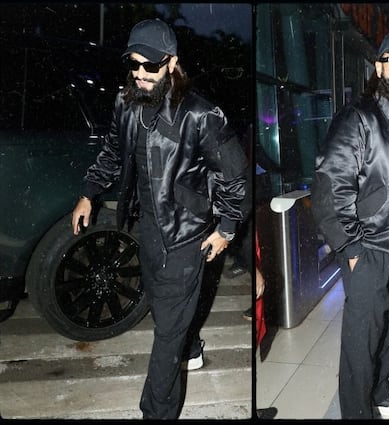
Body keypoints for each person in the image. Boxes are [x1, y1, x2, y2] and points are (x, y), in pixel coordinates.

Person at [71, 18, 247, 418]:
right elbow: (112, 153)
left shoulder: (201, 115)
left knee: (166, 332)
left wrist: (226, 228)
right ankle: (192, 347)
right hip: (147, 227)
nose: (140, 73)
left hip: (186, 235)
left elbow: (234, 176)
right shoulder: (126, 102)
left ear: (171, 63)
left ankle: (156, 411)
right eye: (134, 64)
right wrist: (88, 193)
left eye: (150, 65)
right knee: (167, 310)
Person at [311, 30, 389, 419]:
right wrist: (352, 249)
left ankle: (378, 389)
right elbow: (330, 187)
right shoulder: (358, 118)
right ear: (379, 67)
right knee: (362, 341)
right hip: (369, 247)